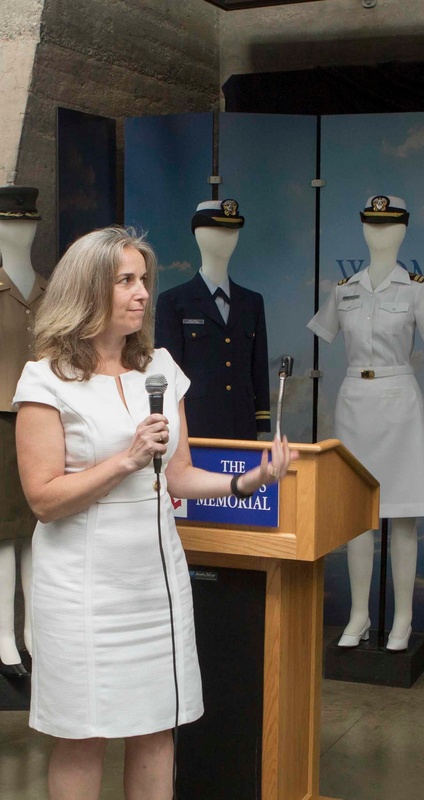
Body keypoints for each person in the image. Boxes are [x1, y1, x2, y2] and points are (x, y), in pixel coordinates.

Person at [12, 226, 295, 800]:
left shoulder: (159, 368)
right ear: (88, 290)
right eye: (125, 281)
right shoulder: (46, 380)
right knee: (83, 735)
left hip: (155, 581)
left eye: (143, 279)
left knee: (156, 726)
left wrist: (250, 479)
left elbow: (180, 474)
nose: (142, 293)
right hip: (81, 587)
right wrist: (127, 459)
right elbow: (43, 498)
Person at [308, 195, 424, 651]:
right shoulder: (344, 289)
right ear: (363, 229)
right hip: (354, 401)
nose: (379, 233)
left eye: (388, 226)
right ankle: (358, 615)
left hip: (400, 402)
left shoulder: (415, 289)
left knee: (404, 515)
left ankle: (403, 618)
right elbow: (326, 332)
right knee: (357, 516)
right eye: (371, 225)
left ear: (403, 230)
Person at [155, 199, 271, 440]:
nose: (227, 239)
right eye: (218, 232)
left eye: (231, 232)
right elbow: (167, 370)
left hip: (242, 423)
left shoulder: (252, 302)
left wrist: (261, 418)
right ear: (199, 235)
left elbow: (257, 366)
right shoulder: (174, 302)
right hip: (195, 424)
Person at [0, 185, 44, 679]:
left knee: (36, 532)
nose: (22, 229)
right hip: (0, 422)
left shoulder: (48, 288)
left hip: (42, 419)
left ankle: (34, 633)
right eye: (13, 221)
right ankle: (5, 640)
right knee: (3, 536)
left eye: (29, 221)